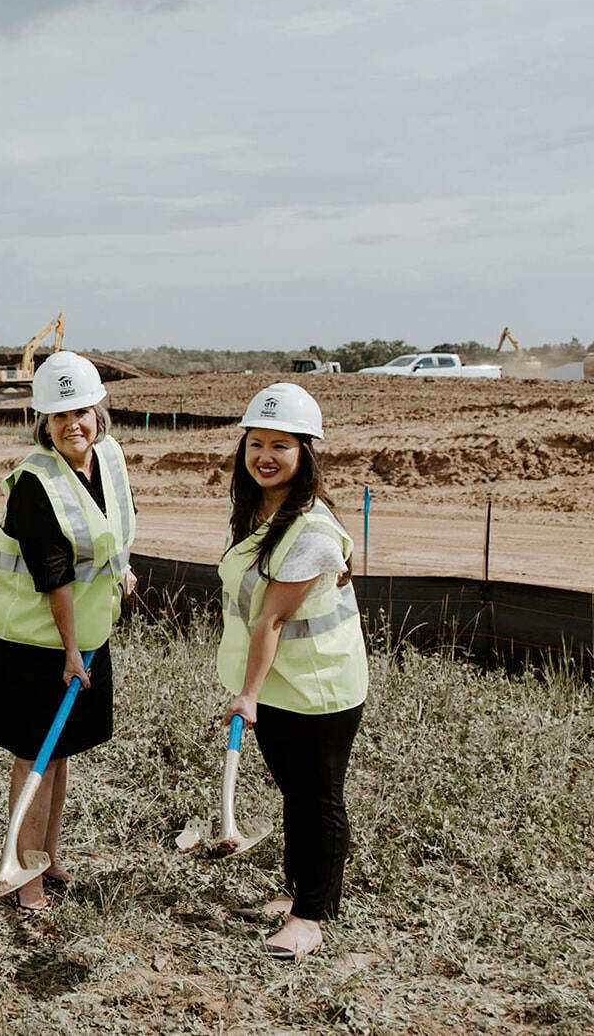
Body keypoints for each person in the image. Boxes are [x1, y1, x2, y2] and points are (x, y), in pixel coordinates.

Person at [0, 352, 137, 914]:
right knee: (34, 756)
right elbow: (55, 579)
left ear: (99, 411)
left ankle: (49, 853)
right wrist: (70, 652)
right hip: (28, 640)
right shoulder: (34, 484)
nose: (73, 424)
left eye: (82, 412)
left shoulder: (108, 458)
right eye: (59, 414)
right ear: (42, 421)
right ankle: (23, 875)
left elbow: (113, 528)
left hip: (85, 633)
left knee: (61, 750)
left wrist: (123, 568)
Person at [217, 382, 368, 961]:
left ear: (306, 453)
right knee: (295, 793)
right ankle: (296, 892)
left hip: (320, 687)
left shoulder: (312, 531)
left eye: (282, 445)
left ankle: (312, 916)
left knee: (318, 797)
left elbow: (272, 621)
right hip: (282, 683)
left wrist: (246, 695)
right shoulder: (260, 512)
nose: (266, 456)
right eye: (257, 443)